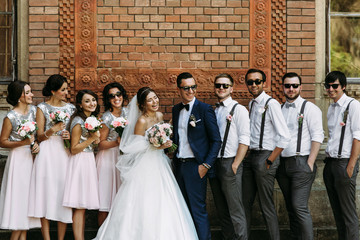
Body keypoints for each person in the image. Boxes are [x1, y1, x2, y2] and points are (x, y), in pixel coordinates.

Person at [93, 87, 198, 240]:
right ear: (142, 104)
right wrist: (155, 145)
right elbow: (133, 147)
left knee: (165, 199)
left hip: (160, 163)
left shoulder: (160, 115)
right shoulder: (141, 121)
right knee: (143, 200)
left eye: (155, 98)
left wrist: (165, 144)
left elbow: (163, 135)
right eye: (149, 100)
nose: (154, 101)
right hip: (145, 164)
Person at [172, 72, 222, 240]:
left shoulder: (204, 109)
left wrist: (205, 165)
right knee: (182, 209)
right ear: (179, 89)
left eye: (193, 87)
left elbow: (216, 140)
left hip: (196, 167)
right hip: (179, 165)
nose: (191, 91)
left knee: (198, 210)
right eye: (186, 88)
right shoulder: (176, 110)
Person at [242, 69, 290, 240]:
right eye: (250, 82)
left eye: (257, 81)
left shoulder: (272, 104)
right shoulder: (251, 104)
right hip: (251, 157)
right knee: (244, 202)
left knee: (266, 204)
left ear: (264, 83)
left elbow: (284, 137)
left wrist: (270, 159)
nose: (253, 85)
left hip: (266, 157)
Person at [276, 72, 324, 240]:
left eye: (294, 85)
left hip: (301, 162)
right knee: (290, 207)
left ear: (300, 87)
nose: (291, 89)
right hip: (283, 164)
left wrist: (310, 162)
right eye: (287, 85)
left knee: (299, 206)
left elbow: (318, 136)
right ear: (282, 87)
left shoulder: (310, 109)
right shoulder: (279, 109)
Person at [28, 74, 75, 240]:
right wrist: (52, 130)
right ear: (53, 91)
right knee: (45, 192)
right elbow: (39, 136)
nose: (66, 92)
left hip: (64, 152)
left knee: (63, 193)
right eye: (63, 89)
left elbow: (74, 133)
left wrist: (69, 135)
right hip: (47, 151)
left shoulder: (71, 109)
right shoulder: (42, 107)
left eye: (66, 89)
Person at [0, 81, 41, 239]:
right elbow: (2, 141)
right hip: (18, 159)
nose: (31, 95)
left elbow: (38, 135)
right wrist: (22, 143)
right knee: (19, 199)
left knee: (27, 200)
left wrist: (35, 144)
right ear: (19, 96)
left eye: (31, 91)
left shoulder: (34, 111)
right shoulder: (10, 117)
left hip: (31, 158)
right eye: (28, 92)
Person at [211, 73, 250, 240]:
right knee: (221, 209)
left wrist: (235, 164)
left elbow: (245, 139)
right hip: (215, 163)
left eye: (225, 86)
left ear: (231, 89)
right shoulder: (215, 110)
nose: (221, 88)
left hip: (230, 163)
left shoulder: (238, 109)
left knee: (235, 209)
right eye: (218, 85)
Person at [323, 71, 360, 240]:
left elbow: (358, 136)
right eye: (328, 86)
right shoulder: (331, 108)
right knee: (337, 211)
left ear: (343, 87)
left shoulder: (353, 105)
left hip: (344, 163)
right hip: (330, 163)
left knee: (348, 213)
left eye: (335, 86)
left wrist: (351, 166)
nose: (331, 89)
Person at [63, 90, 100, 240]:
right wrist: (91, 139)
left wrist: (95, 139)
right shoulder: (78, 121)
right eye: (87, 101)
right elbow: (74, 149)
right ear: (80, 104)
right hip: (79, 162)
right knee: (79, 205)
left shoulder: (92, 119)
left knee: (82, 206)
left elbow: (93, 143)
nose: (92, 103)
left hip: (88, 160)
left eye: (93, 100)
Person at [96, 82, 128, 226]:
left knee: (122, 201)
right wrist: (117, 142)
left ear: (123, 95)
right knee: (106, 201)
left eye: (118, 94)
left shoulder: (129, 113)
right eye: (111, 96)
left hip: (125, 159)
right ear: (108, 99)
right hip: (108, 159)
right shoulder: (106, 118)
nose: (116, 98)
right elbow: (101, 144)